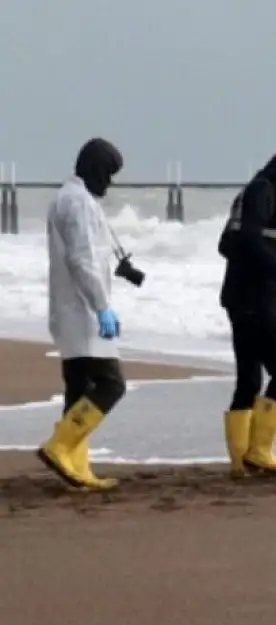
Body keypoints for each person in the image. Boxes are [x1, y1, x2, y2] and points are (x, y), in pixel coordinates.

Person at [217, 144, 276, 479]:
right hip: (253, 303)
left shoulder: (254, 194)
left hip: (240, 298)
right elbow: (246, 243)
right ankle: (258, 452)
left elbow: (229, 244)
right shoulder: (261, 192)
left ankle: (240, 460)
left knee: (249, 379)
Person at [37, 137, 127, 491]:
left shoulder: (67, 198)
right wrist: (102, 306)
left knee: (78, 389)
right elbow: (83, 259)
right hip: (83, 310)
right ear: (95, 169)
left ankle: (77, 468)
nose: (110, 182)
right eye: (109, 173)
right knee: (110, 384)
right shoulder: (78, 203)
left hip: (69, 310)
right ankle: (60, 446)